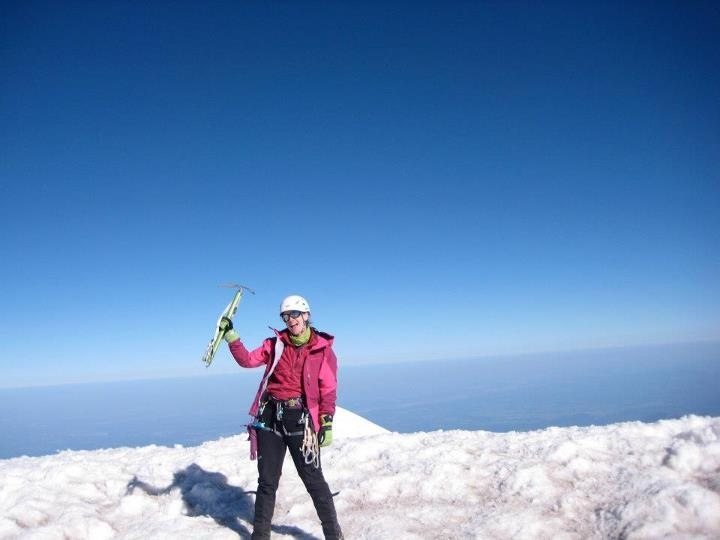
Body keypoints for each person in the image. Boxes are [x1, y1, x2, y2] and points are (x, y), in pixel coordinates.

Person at [219, 294, 343, 540]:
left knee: (313, 480)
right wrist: (232, 337)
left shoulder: (321, 349)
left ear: (306, 315)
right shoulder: (274, 344)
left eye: (295, 314)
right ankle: (260, 536)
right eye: (286, 316)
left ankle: (333, 534)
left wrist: (326, 421)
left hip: (300, 420)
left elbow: (328, 388)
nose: (290, 319)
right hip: (270, 417)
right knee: (267, 482)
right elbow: (248, 360)